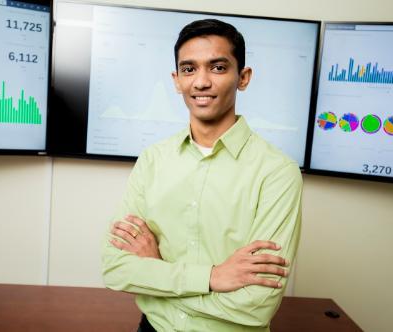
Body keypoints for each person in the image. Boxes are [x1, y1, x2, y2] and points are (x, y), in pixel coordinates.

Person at [101, 18, 302, 332]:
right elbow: (116, 269)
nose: (201, 82)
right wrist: (213, 277)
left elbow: (256, 307)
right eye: (189, 69)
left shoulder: (277, 173)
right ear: (177, 79)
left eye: (218, 68)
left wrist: (155, 275)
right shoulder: (153, 160)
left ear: (243, 77)